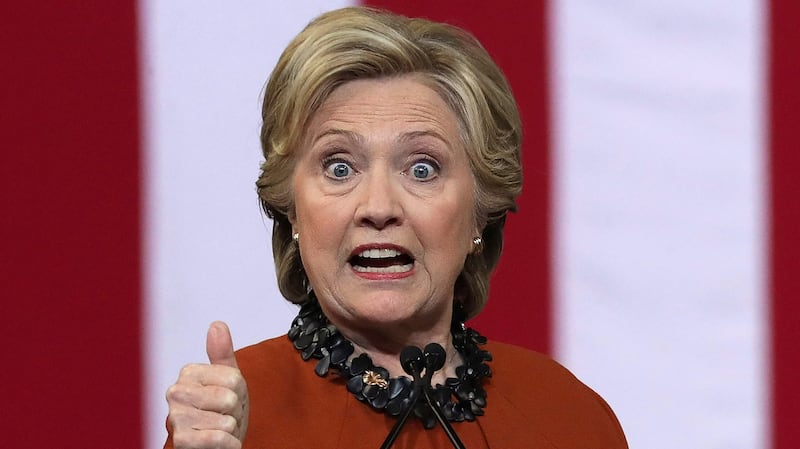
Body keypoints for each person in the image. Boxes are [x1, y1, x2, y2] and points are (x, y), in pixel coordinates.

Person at [164, 6, 628, 449]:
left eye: (422, 169)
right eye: (339, 168)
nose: (379, 207)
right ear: (291, 209)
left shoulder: (570, 417)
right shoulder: (230, 421)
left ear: (480, 211)